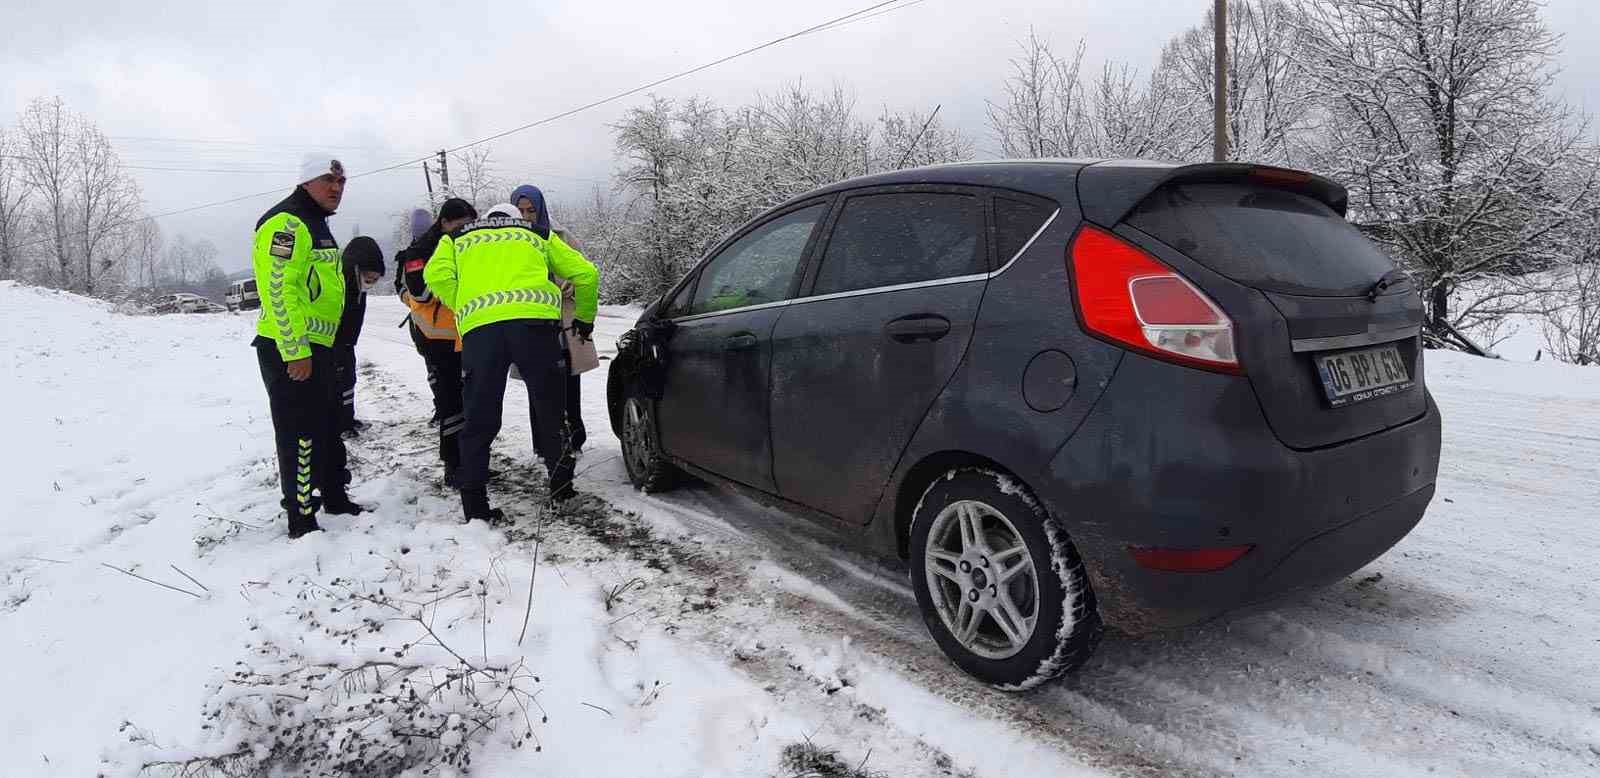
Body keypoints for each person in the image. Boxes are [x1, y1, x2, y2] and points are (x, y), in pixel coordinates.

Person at [424, 202, 599, 522]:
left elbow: (434, 274)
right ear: (516, 221)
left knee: (479, 418)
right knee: (549, 410)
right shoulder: (538, 234)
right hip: (535, 330)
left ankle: (475, 507)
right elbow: (586, 274)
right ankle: (562, 489)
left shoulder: (456, 238)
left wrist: (464, 302)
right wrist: (584, 320)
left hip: (481, 332)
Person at [251, 154, 366, 539]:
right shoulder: (286, 223)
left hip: (321, 345)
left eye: (341, 182)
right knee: (298, 432)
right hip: (292, 348)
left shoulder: (317, 223)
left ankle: (334, 495)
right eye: (328, 180)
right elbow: (278, 288)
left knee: (329, 424)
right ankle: (301, 516)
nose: (336, 188)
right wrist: (295, 348)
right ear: (305, 183)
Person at [510, 184, 597, 454]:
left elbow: (585, 270)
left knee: (570, 383)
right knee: (538, 387)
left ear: (541, 209)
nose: (526, 217)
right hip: (530, 324)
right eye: (521, 211)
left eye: (531, 210)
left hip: (563, 321)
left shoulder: (560, 236)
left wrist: (571, 283)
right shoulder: (509, 241)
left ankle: (574, 440)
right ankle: (544, 444)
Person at [395, 198, 476, 487]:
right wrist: (453, 274)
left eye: (469, 225)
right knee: (451, 401)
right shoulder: (420, 251)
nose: (464, 231)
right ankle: (453, 466)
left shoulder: (468, 242)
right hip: (439, 338)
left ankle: (473, 462)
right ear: (444, 222)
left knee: (473, 402)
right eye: (459, 225)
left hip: (469, 332)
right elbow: (420, 293)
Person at [334, 236, 385, 437]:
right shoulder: (342, 281)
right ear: (358, 267)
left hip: (346, 342)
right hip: (333, 341)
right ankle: (340, 424)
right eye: (370, 277)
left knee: (348, 379)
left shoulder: (357, 284)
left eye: (376, 279)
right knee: (339, 381)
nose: (372, 282)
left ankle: (347, 419)